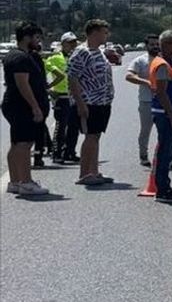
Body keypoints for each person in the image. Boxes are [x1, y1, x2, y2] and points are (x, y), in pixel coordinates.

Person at [3, 22, 50, 196]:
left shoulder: (23, 55)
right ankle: (26, 182)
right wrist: (35, 107)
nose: (38, 41)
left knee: (17, 143)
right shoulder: (20, 58)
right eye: (36, 37)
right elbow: (23, 84)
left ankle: (15, 181)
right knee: (24, 144)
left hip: (17, 105)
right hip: (21, 106)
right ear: (26, 38)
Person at [67, 19, 116, 187]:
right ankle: (84, 174)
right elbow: (72, 78)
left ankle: (94, 172)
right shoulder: (82, 52)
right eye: (104, 32)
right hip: (89, 102)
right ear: (94, 33)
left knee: (95, 136)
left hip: (102, 102)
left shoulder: (99, 51)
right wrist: (80, 104)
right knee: (90, 136)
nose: (106, 35)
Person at [125, 35, 172, 168]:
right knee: (145, 130)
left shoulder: (166, 62)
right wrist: (147, 82)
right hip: (147, 101)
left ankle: (169, 158)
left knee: (167, 132)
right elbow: (129, 75)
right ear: (146, 45)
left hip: (163, 103)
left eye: (156, 44)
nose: (155, 46)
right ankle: (143, 156)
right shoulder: (140, 61)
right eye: (152, 44)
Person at [149, 30, 172, 203]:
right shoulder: (162, 65)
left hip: (167, 113)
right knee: (165, 152)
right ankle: (162, 190)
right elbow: (162, 93)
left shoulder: (171, 63)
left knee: (168, 151)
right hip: (165, 114)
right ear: (167, 44)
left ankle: (165, 186)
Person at [46, 32, 81, 165]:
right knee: (61, 125)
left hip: (75, 95)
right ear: (63, 44)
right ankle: (57, 153)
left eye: (74, 42)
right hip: (62, 96)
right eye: (70, 42)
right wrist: (48, 88)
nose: (72, 45)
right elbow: (42, 73)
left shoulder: (78, 57)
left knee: (74, 126)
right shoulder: (55, 58)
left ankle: (69, 152)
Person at [28, 33, 54, 169]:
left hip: (37, 97)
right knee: (39, 128)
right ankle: (38, 156)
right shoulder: (36, 59)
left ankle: (38, 155)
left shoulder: (31, 59)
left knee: (37, 129)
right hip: (39, 98)